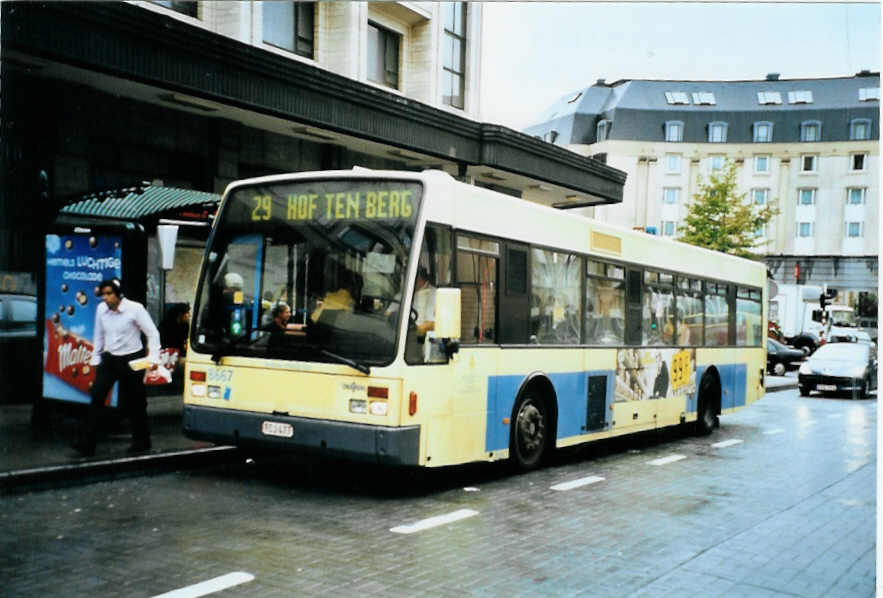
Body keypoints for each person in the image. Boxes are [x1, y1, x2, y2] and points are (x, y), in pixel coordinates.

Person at [74, 278, 160, 456]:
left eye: (109, 294)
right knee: (97, 397)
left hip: (132, 359)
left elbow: (152, 333)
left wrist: (153, 357)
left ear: (119, 294)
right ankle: (87, 444)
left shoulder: (135, 309)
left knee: (136, 402)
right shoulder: (101, 309)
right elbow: (98, 334)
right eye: (103, 294)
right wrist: (96, 359)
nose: (105, 298)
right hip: (110, 359)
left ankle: (142, 442)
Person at [412, 267, 436, 341]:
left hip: (419, 337)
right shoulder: (407, 292)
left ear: (419, 278)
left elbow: (430, 323)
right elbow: (388, 313)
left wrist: (411, 331)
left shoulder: (434, 294)